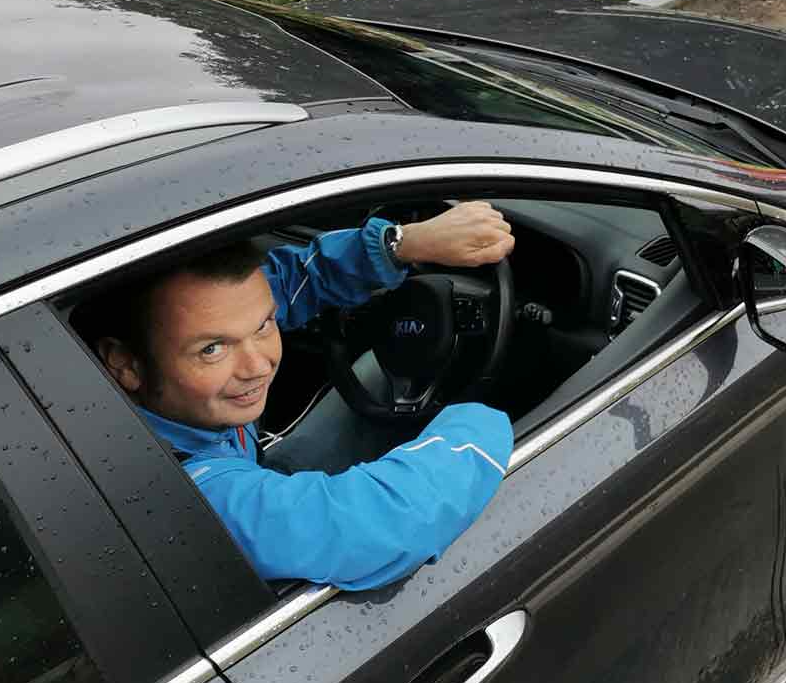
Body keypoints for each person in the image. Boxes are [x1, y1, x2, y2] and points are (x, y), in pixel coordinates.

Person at [84, 201, 518, 589]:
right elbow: (379, 527)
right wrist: (484, 415)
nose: (259, 366)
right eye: (212, 349)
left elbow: (291, 281)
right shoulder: (188, 494)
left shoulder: (155, 374)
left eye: (264, 326)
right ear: (125, 364)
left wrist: (402, 243)